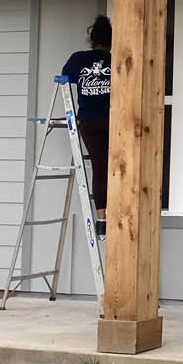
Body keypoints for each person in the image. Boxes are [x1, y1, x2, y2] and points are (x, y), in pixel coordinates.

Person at [61, 16, 111, 236]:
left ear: (91, 39)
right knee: (118, 168)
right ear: (112, 40)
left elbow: (64, 77)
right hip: (114, 120)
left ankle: (102, 219)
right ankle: (117, 212)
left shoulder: (78, 59)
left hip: (89, 122)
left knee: (100, 167)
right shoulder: (116, 60)